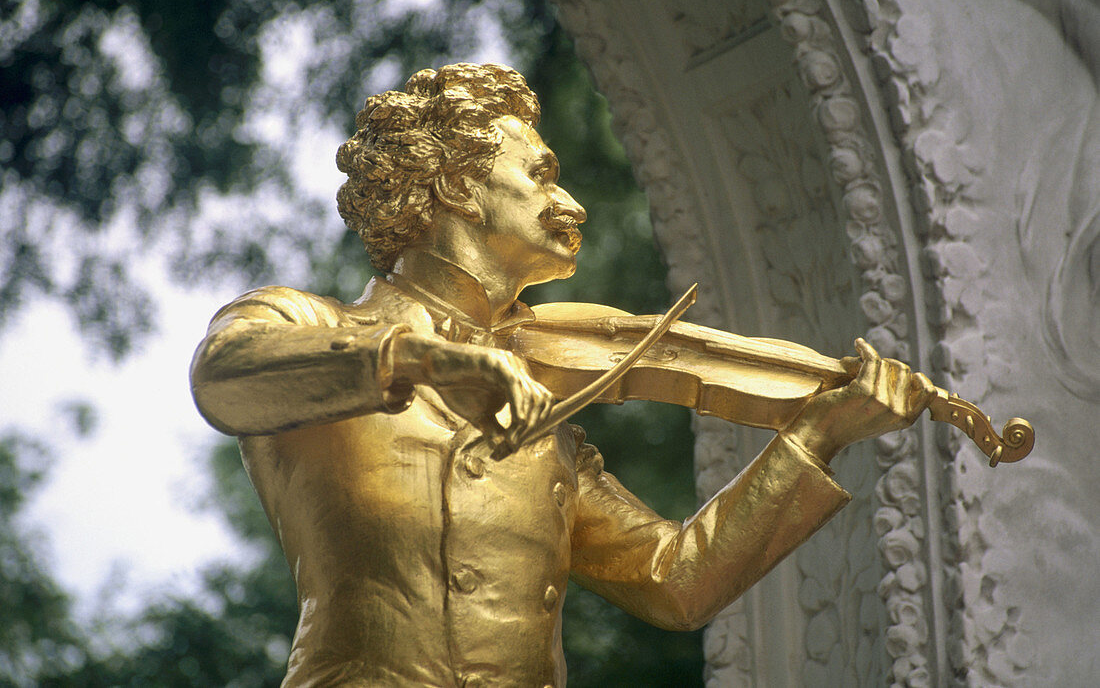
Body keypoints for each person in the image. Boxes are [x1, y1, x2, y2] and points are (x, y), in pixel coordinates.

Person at [190, 63, 933, 687]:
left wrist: (814, 436)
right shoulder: (309, 326)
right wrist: (419, 358)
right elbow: (222, 376)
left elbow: (676, 581)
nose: (570, 203)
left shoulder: (550, 439)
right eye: (540, 175)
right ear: (456, 186)